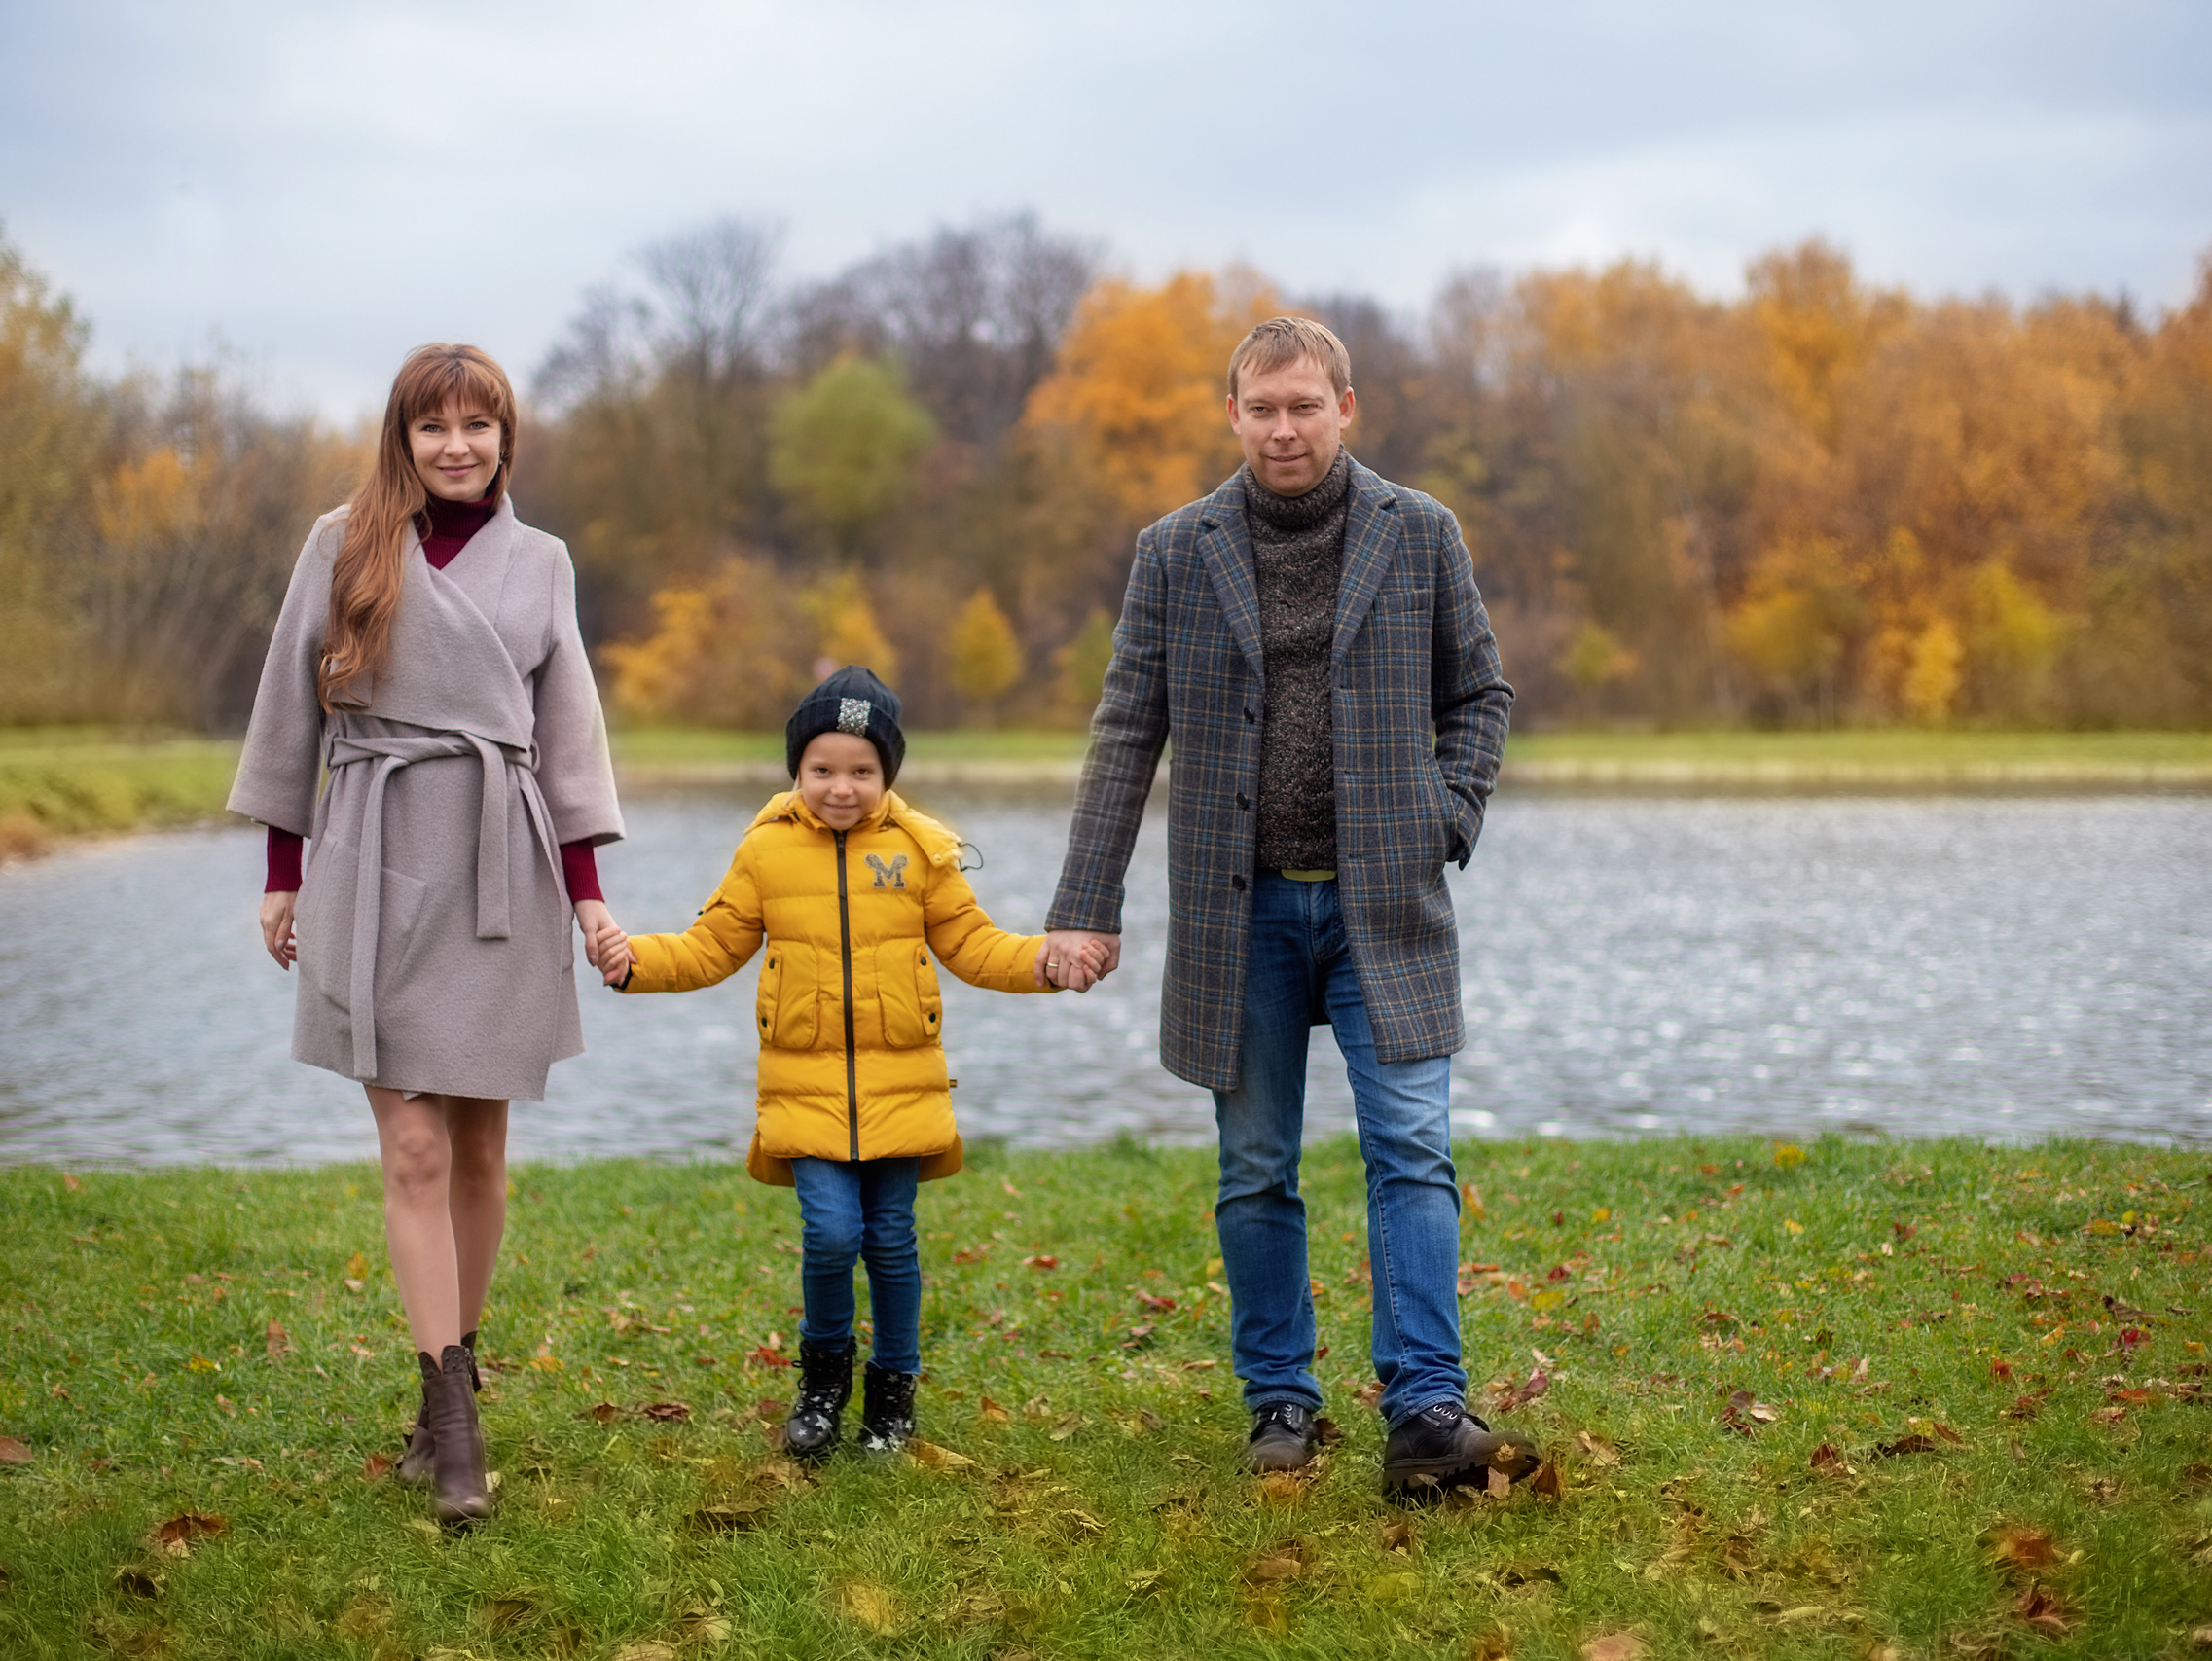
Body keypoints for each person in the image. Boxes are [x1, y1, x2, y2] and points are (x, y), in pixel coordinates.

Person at [1039, 316, 1528, 1499]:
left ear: (1344, 408)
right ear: (1233, 416)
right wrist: (1080, 902)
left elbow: (1480, 694)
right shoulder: (1174, 551)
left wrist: (1447, 816)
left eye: (1305, 406)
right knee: (1255, 1165)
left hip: (1384, 908)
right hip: (1235, 914)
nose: (1284, 428)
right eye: (1262, 409)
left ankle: (1423, 1412)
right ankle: (1281, 1404)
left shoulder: (1419, 535)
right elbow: (1124, 732)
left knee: (1410, 1149)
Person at [229, 343, 625, 1524]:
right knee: (410, 1150)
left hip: (501, 863)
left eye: (479, 426)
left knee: (481, 1152)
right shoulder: (341, 541)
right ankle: (453, 1417)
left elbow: (571, 736)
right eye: (433, 427)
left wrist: (590, 892)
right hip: (372, 848)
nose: (457, 446)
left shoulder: (543, 563)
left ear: (508, 438)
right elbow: (288, 705)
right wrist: (282, 869)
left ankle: (444, 1377)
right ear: (402, 439)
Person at [590, 667, 1104, 1459]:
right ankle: (822, 1382)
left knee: (891, 1241)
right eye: (822, 768)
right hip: (804, 1086)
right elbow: (711, 944)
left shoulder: (921, 850)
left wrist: (1045, 960)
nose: (841, 787)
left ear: (887, 774)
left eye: (862, 770)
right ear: (797, 769)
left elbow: (974, 945)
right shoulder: (764, 852)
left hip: (904, 1086)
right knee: (831, 1235)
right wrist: (634, 960)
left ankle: (893, 1392)